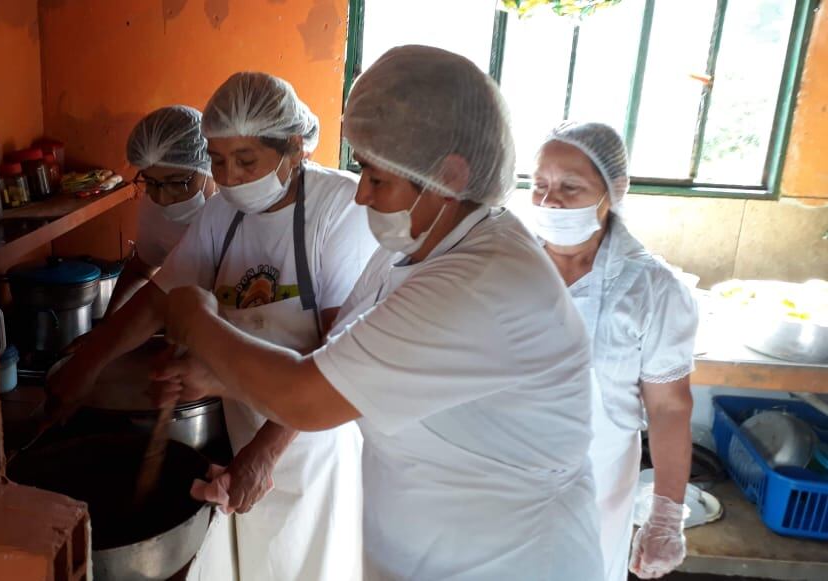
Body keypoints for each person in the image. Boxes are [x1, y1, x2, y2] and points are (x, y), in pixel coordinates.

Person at [152, 45, 603, 581]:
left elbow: (306, 395)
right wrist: (222, 380)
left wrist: (199, 322)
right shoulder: (414, 250)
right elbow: (339, 352)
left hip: (505, 560)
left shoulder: (479, 284)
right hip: (426, 552)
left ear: (450, 176)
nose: (360, 194)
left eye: (376, 177)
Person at [49, 72, 374, 581]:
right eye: (219, 161)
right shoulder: (222, 213)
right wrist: (87, 364)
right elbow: (159, 301)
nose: (230, 178)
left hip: (310, 450)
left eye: (246, 161)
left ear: (294, 148)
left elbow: (338, 358)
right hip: (243, 433)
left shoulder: (340, 210)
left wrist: (266, 452)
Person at [529, 121, 698, 580]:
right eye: (539, 185)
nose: (550, 201)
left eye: (570, 187)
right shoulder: (506, 263)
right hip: (502, 478)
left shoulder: (652, 289)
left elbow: (668, 408)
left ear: (615, 190)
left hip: (596, 487)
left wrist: (666, 514)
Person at [105, 105, 217, 316]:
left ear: (207, 166)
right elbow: (141, 269)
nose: (163, 199)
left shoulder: (237, 212)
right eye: (151, 182)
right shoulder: (154, 206)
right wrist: (107, 326)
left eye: (176, 182)